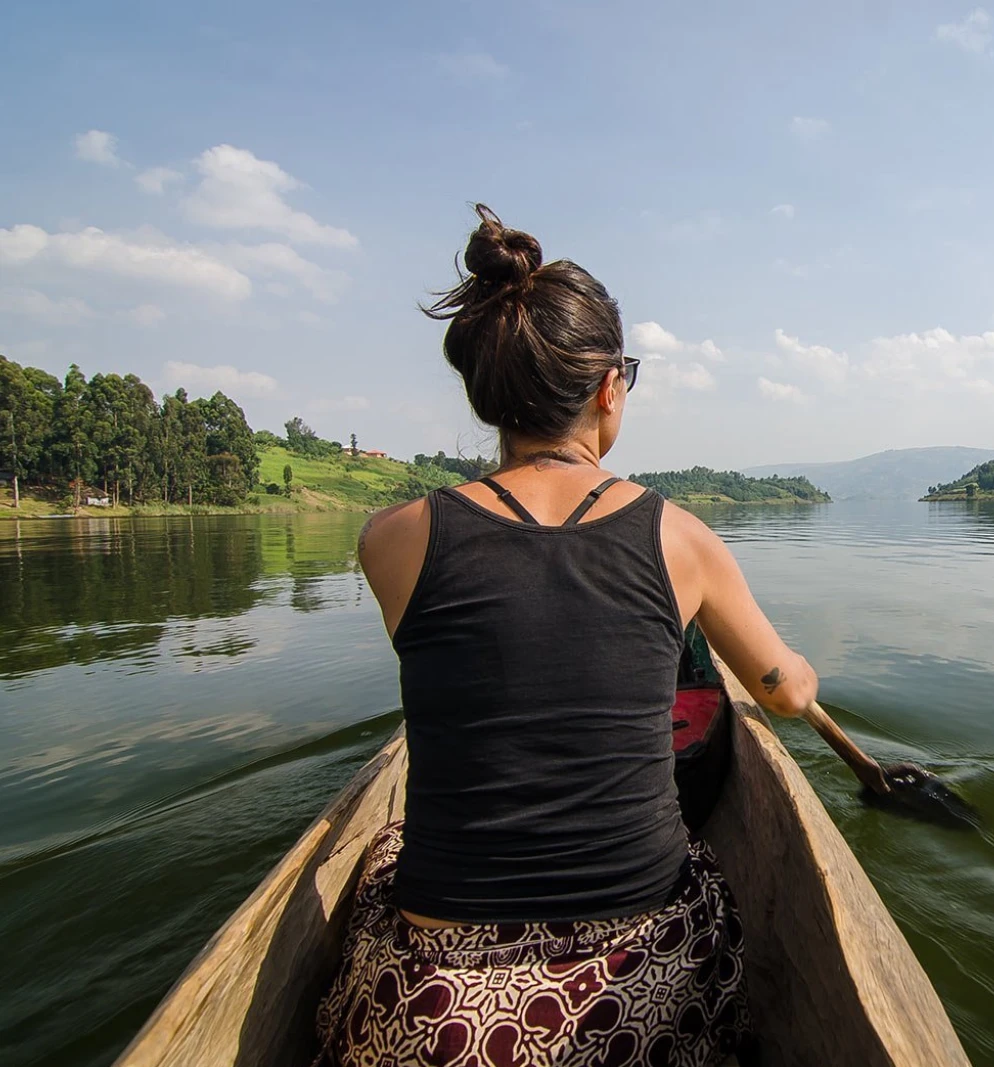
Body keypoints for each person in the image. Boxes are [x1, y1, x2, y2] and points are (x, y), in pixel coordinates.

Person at [316, 204, 819, 1067]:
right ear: (609, 388)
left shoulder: (391, 540)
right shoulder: (681, 539)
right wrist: (796, 674)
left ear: (489, 390)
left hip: (437, 1015)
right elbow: (781, 690)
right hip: (641, 985)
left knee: (384, 856)